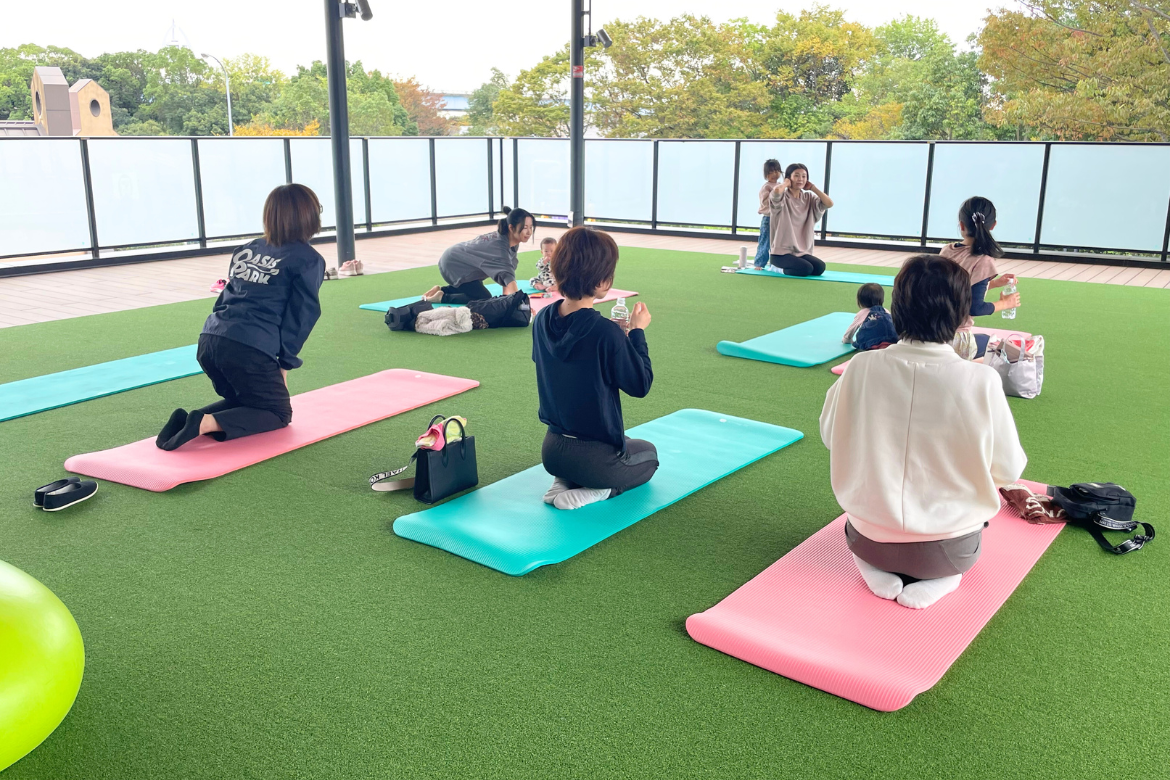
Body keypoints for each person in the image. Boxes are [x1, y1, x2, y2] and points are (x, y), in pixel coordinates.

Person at [820, 254, 1027, 609]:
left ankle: (874, 569)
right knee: (964, 544)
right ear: (963, 317)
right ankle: (944, 578)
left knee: (866, 540)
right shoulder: (981, 380)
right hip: (949, 549)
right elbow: (1008, 469)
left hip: (868, 539)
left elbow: (830, 435)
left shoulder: (860, 367)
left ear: (896, 309)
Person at [156, 184, 325, 450]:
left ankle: (186, 422)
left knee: (248, 401)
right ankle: (203, 423)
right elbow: (302, 316)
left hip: (210, 340)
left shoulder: (247, 249)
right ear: (310, 216)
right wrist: (284, 363)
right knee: (278, 413)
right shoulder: (308, 259)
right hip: (248, 349)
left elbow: (227, 296)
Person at [532, 226, 657, 510]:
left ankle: (563, 481)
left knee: (626, 441)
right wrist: (637, 333)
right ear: (603, 281)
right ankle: (600, 490)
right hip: (595, 461)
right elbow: (640, 385)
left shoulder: (542, 319)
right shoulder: (605, 332)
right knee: (649, 455)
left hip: (552, 452)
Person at [938, 196, 1021, 360]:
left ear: (961, 225)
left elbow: (954, 289)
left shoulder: (946, 251)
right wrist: (1005, 304)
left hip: (932, 333)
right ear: (993, 225)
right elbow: (974, 307)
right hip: (957, 340)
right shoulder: (983, 260)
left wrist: (994, 283)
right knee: (996, 348)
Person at [423, 206, 534, 304]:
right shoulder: (499, 248)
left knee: (475, 290)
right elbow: (508, 277)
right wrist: (521, 304)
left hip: (459, 260)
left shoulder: (510, 241)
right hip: (454, 265)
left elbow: (506, 273)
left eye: (531, 227)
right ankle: (442, 297)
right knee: (484, 298)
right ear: (511, 227)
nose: (529, 232)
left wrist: (505, 297)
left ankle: (442, 290)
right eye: (525, 227)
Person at [765, 162, 834, 277]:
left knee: (819, 267)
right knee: (805, 269)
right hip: (780, 254)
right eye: (796, 175)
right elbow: (776, 192)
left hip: (801, 253)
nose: (800, 179)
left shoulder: (809, 198)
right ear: (789, 178)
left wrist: (813, 188)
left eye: (804, 176)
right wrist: (785, 184)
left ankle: (791, 265)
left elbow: (829, 203)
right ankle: (776, 268)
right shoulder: (782, 197)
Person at [842, 282, 898, 351]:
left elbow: (852, 328)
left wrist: (846, 339)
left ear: (860, 300)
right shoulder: (885, 311)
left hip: (870, 343)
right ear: (881, 299)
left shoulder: (862, 313)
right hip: (892, 340)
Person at [753, 159, 783, 268]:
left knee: (778, 242)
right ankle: (759, 263)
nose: (774, 174)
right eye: (771, 172)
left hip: (779, 218)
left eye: (776, 171)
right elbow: (764, 202)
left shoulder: (781, 185)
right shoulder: (766, 187)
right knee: (765, 241)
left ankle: (776, 263)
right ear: (766, 174)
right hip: (769, 217)